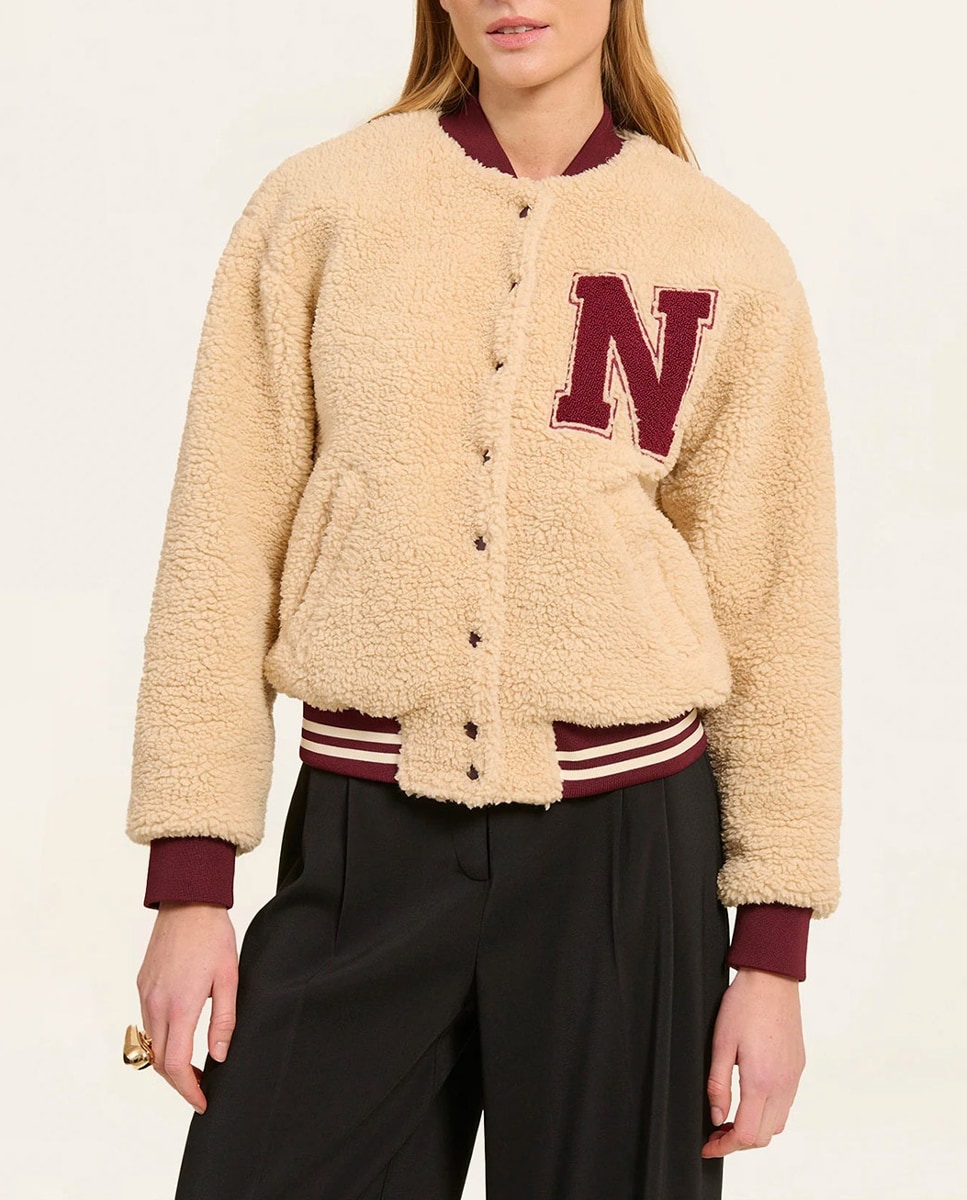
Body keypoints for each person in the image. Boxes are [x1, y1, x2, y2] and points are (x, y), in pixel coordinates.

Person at [124, 2, 843, 1197]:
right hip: (364, 841)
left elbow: (777, 611)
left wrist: (771, 955)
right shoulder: (319, 209)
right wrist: (190, 884)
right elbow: (218, 550)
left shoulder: (720, 249)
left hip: (626, 860)